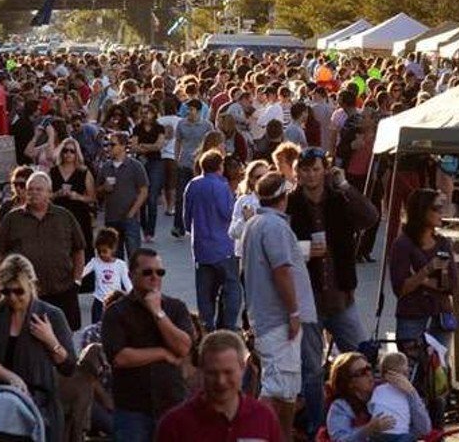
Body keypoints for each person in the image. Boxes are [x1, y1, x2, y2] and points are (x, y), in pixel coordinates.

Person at [241, 172, 321, 440]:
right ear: (283, 198)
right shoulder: (274, 226)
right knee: (279, 388)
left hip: (266, 317)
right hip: (278, 320)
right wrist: (294, 312)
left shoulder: (254, 223)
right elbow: (281, 271)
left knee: (284, 389)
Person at [0, 254, 78, 442]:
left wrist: (50, 341)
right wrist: (10, 376)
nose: (12, 297)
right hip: (0, 405)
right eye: (6, 292)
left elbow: (69, 366)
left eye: (19, 291)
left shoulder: (52, 315)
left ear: (31, 286)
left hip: (41, 406)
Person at [287, 146, 378, 352]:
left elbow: (370, 218)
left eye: (316, 169)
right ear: (298, 172)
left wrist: (344, 185)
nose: (311, 175)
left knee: (359, 356)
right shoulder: (290, 204)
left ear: (325, 171)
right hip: (309, 300)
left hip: (341, 297)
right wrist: (306, 250)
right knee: (311, 367)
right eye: (305, 170)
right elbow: (280, 249)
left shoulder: (340, 199)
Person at [101, 247, 195, 442]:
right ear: (131, 275)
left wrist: (158, 313)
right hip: (132, 409)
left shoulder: (176, 307)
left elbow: (183, 347)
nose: (154, 277)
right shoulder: (116, 312)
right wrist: (161, 352)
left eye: (159, 272)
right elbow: (120, 357)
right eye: (147, 272)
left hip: (172, 404)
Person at [0, 170, 87, 331]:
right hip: (27, 293)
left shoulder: (64, 216)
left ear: (49, 193)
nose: (33, 193)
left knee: (64, 335)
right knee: (29, 337)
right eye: (30, 189)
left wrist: (77, 280)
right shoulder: (13, 219)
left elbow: (79, 249)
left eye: (38, 189)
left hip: (62, 289)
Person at [154, 329, 283, 442]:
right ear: (201, 370)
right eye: (212, 373)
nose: (221, 381)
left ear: (243, 368)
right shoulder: (175, 425)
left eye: (228, 372)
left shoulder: (264, 419)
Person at [183, 148, 243, 331]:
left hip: (201, 248)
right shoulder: (222, 186)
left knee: (205, 293)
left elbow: (186, 217)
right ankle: (228, 325)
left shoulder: (193, 185)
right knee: (232, 287)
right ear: (220, 166)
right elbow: (228, 214)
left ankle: (206, 326)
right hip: (224, 246)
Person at [388, 188, 456, 344]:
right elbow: (400, 288)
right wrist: (428, 270)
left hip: (441, 316)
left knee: (440, 366)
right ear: (421, 210)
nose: (441, 213)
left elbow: (452, 284)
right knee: (411, 365)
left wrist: (419, 280)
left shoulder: (442, 243)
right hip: (412, 315)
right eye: (436, 208)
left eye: (442, 208)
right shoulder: (402, 244)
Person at [325, 351, 431, 442]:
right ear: (349, 382)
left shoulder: (391, 392)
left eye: (369, 368)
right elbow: (339, 439)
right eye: (362, 372)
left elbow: (424, 429)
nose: (369, 374)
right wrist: (368, 430)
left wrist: (412, 393)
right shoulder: (341, 407)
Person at [98, 131, 150, 260]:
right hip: (111, 217)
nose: (109, 147)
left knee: (134, 256)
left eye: (112, 144)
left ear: (122, 146)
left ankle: (133, 281)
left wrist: (132, 212)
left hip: (130, 218)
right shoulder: (105, 167)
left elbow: (144, 191)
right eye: (108, 144)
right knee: (114, 259)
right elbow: (97, 190)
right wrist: (104, 187)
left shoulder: (135, 166)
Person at [172, 100, 212, 238]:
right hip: (184, 163)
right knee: (181, 196)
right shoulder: (182, 124)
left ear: (199, 111)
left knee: (201, 197)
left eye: (192, 109)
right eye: (188, 109)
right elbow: (178, 140)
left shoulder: (207, 125)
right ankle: (178, 226)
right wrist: (176, 157)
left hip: (200, 165)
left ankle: (201, 225)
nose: (189, 112)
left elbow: (211, 142)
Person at [82, 227, 132, 323]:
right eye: (99, 251)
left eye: (104, 251)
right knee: (97, 327)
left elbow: (127, 282)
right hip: (99, 301)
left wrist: (132, 296)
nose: (101, 254)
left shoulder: (120, 265)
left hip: (115, 301)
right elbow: (83, 272)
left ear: (113, 249)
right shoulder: (95, 262)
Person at [132, 105, 167, 242]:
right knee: (142, 196)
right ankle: (144, 228)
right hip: (141, 163)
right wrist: (149, 147)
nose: (145, 115)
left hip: (155, 163)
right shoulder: (137, 128)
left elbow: (159, 145)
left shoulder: (159, 128)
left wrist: (144, 146)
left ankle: (150, 231)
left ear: (154, 113)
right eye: (143, 113)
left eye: (148, 113)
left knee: (152, 196)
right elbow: (134, 147)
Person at [228, 159, 270, 257]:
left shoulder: (275, 199)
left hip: (268, 255)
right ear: (251, 179)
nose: (262, 180)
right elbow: (233, 233)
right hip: (247, 256)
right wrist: (245, 220)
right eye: (259, 177)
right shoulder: (244, 201)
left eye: (266, 176)